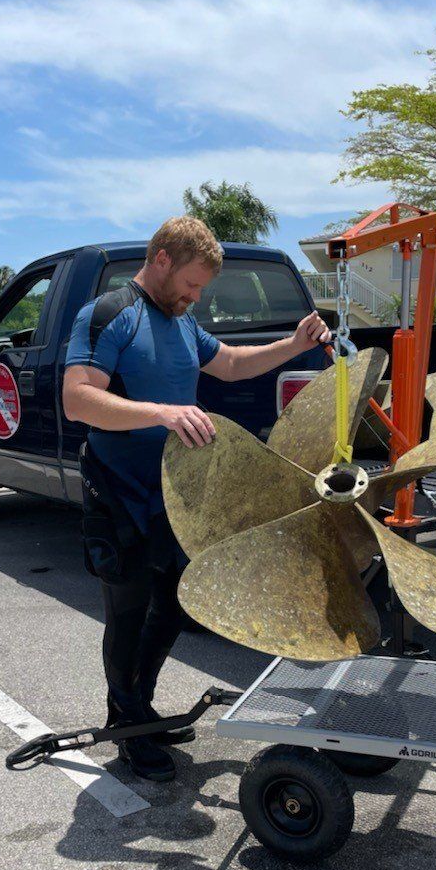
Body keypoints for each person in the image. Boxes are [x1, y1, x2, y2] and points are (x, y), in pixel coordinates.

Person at [63, 216, 330, 782]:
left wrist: (295, 343)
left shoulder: (183, 321)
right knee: (128, 612)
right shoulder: (109, 314)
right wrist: (163, 413)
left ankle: (140, 708)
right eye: (191, 282)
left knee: (176, 601)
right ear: (160, 260)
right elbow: (78, 400)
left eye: (202, 287)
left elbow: (230, 365)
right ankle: (127, 725)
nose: (196, 295)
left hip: (174, 494)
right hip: (117, 491)